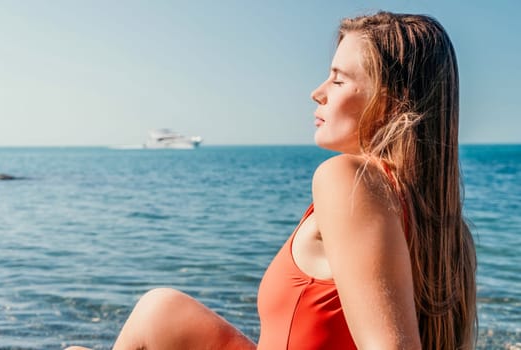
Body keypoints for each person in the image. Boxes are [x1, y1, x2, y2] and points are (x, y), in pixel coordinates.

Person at [67, 11, 477, 350]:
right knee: (161, 308)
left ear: (388, 99)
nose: (318, 92)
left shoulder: (349, 180)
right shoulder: (446, 230)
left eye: (337, 79)